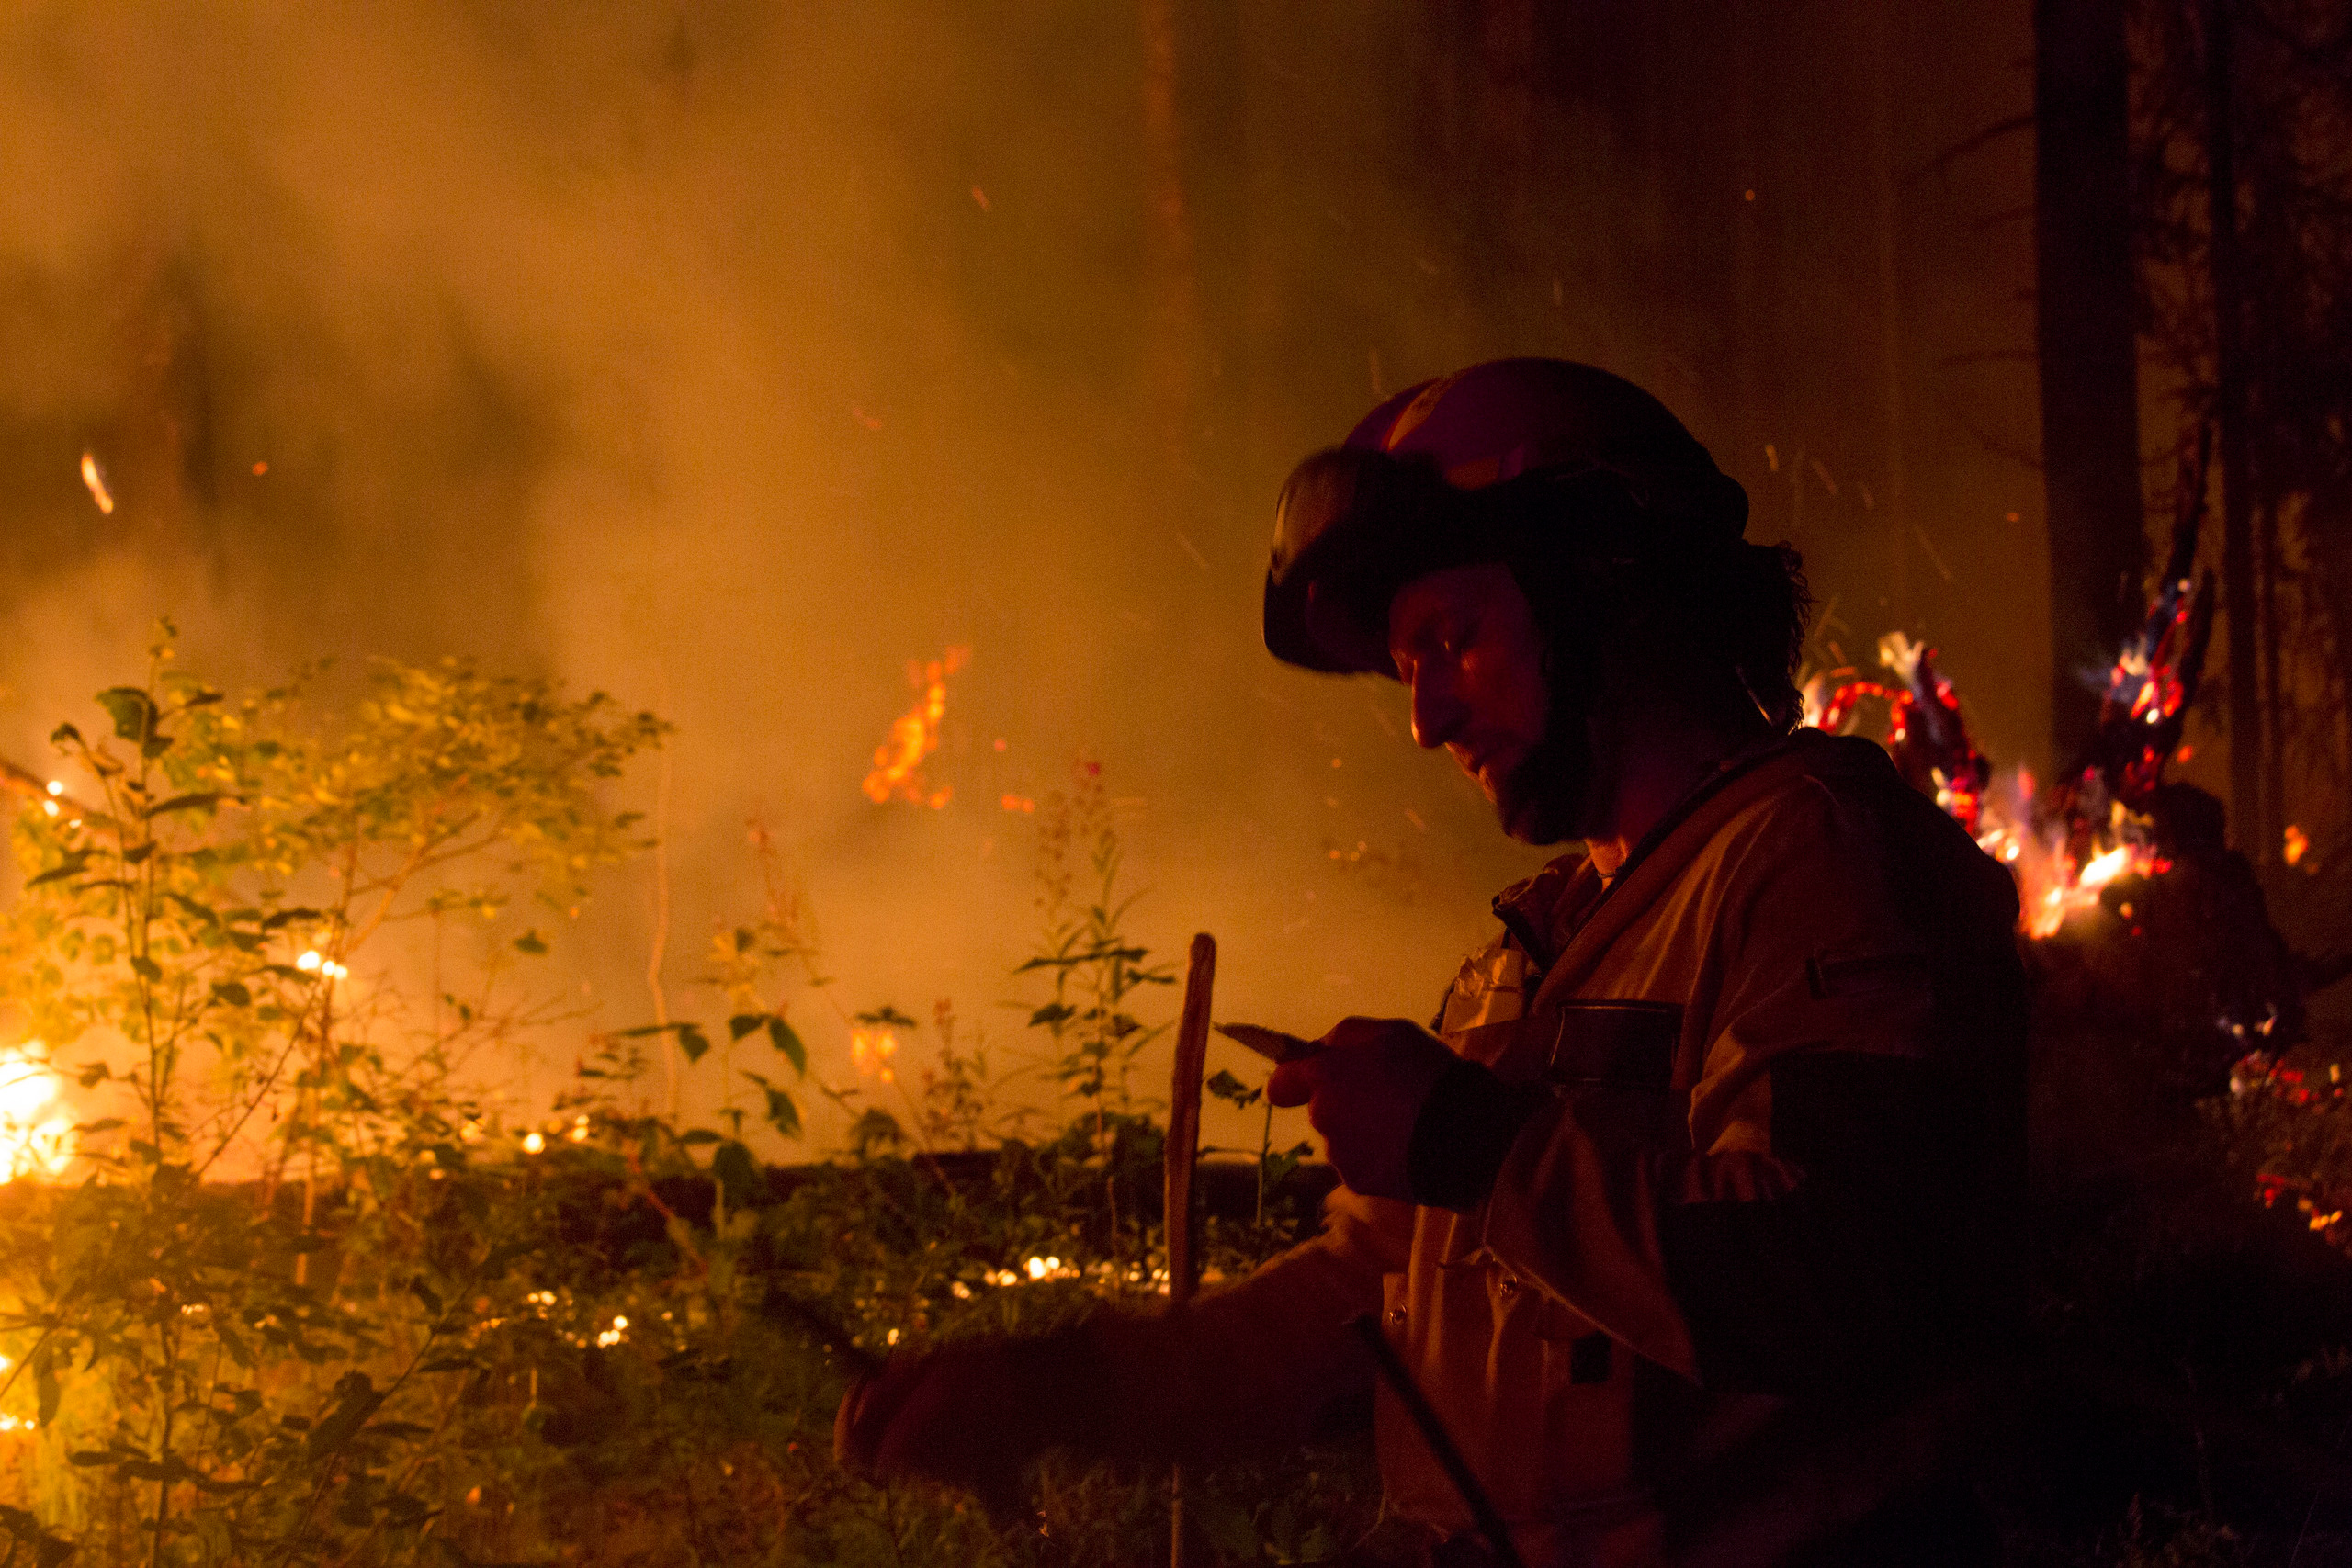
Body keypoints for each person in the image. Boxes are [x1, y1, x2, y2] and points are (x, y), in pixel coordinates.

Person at [837, 358, 2028, 1567]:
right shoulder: (1546, 946)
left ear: (1601, 578)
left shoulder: (1810, 854)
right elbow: (1358, 1298)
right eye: (1407, 668)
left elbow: (1843, 1270)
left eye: (1451, 639)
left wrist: (1467, 1139)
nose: (1427, 721)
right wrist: (1049, 1386)